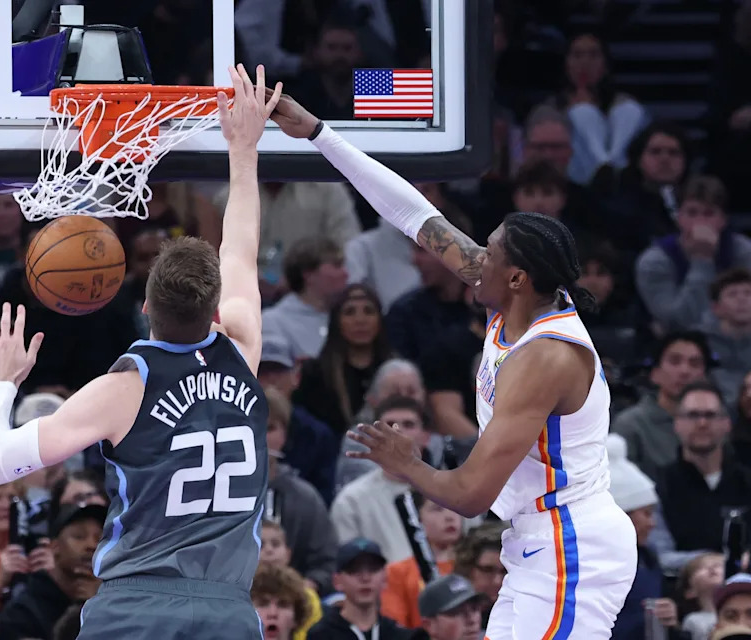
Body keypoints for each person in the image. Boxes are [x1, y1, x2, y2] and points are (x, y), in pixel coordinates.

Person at [271, 94, 638, 638]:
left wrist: (407, 463)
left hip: (571, 544)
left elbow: (470, 496)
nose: (473, 258)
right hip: (537, 541)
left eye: (488, 253)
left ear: (517, 278)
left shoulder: (545, 357)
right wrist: (320, 133)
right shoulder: (514, 296)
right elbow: (414, 215)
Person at [0, 65, 282, 639]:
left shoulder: (124, 389)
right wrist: (244, 150)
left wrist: (2, 385)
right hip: (228, 612)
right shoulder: (243, 349)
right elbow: (240, 248)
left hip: (137, 609)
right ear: (216, 310)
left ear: (143, 304)